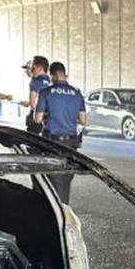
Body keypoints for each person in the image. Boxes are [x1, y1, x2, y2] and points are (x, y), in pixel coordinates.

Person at [34, 61, 86, 203]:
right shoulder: (77, 93)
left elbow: (37, 119)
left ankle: (54, 212)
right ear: (64, 74)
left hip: (53, 142)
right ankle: (64, 207)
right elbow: (83, 120)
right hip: (71, 142)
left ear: (52, 76)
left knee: (50, 181)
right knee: (65, 180)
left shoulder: (46, 92)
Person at [22, 55, 50, 134]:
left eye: (33, 67)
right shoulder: (50, 80)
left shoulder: (35, 81)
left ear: (39, 68)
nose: (31, 70)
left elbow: (32, 103)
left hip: (38, 118)